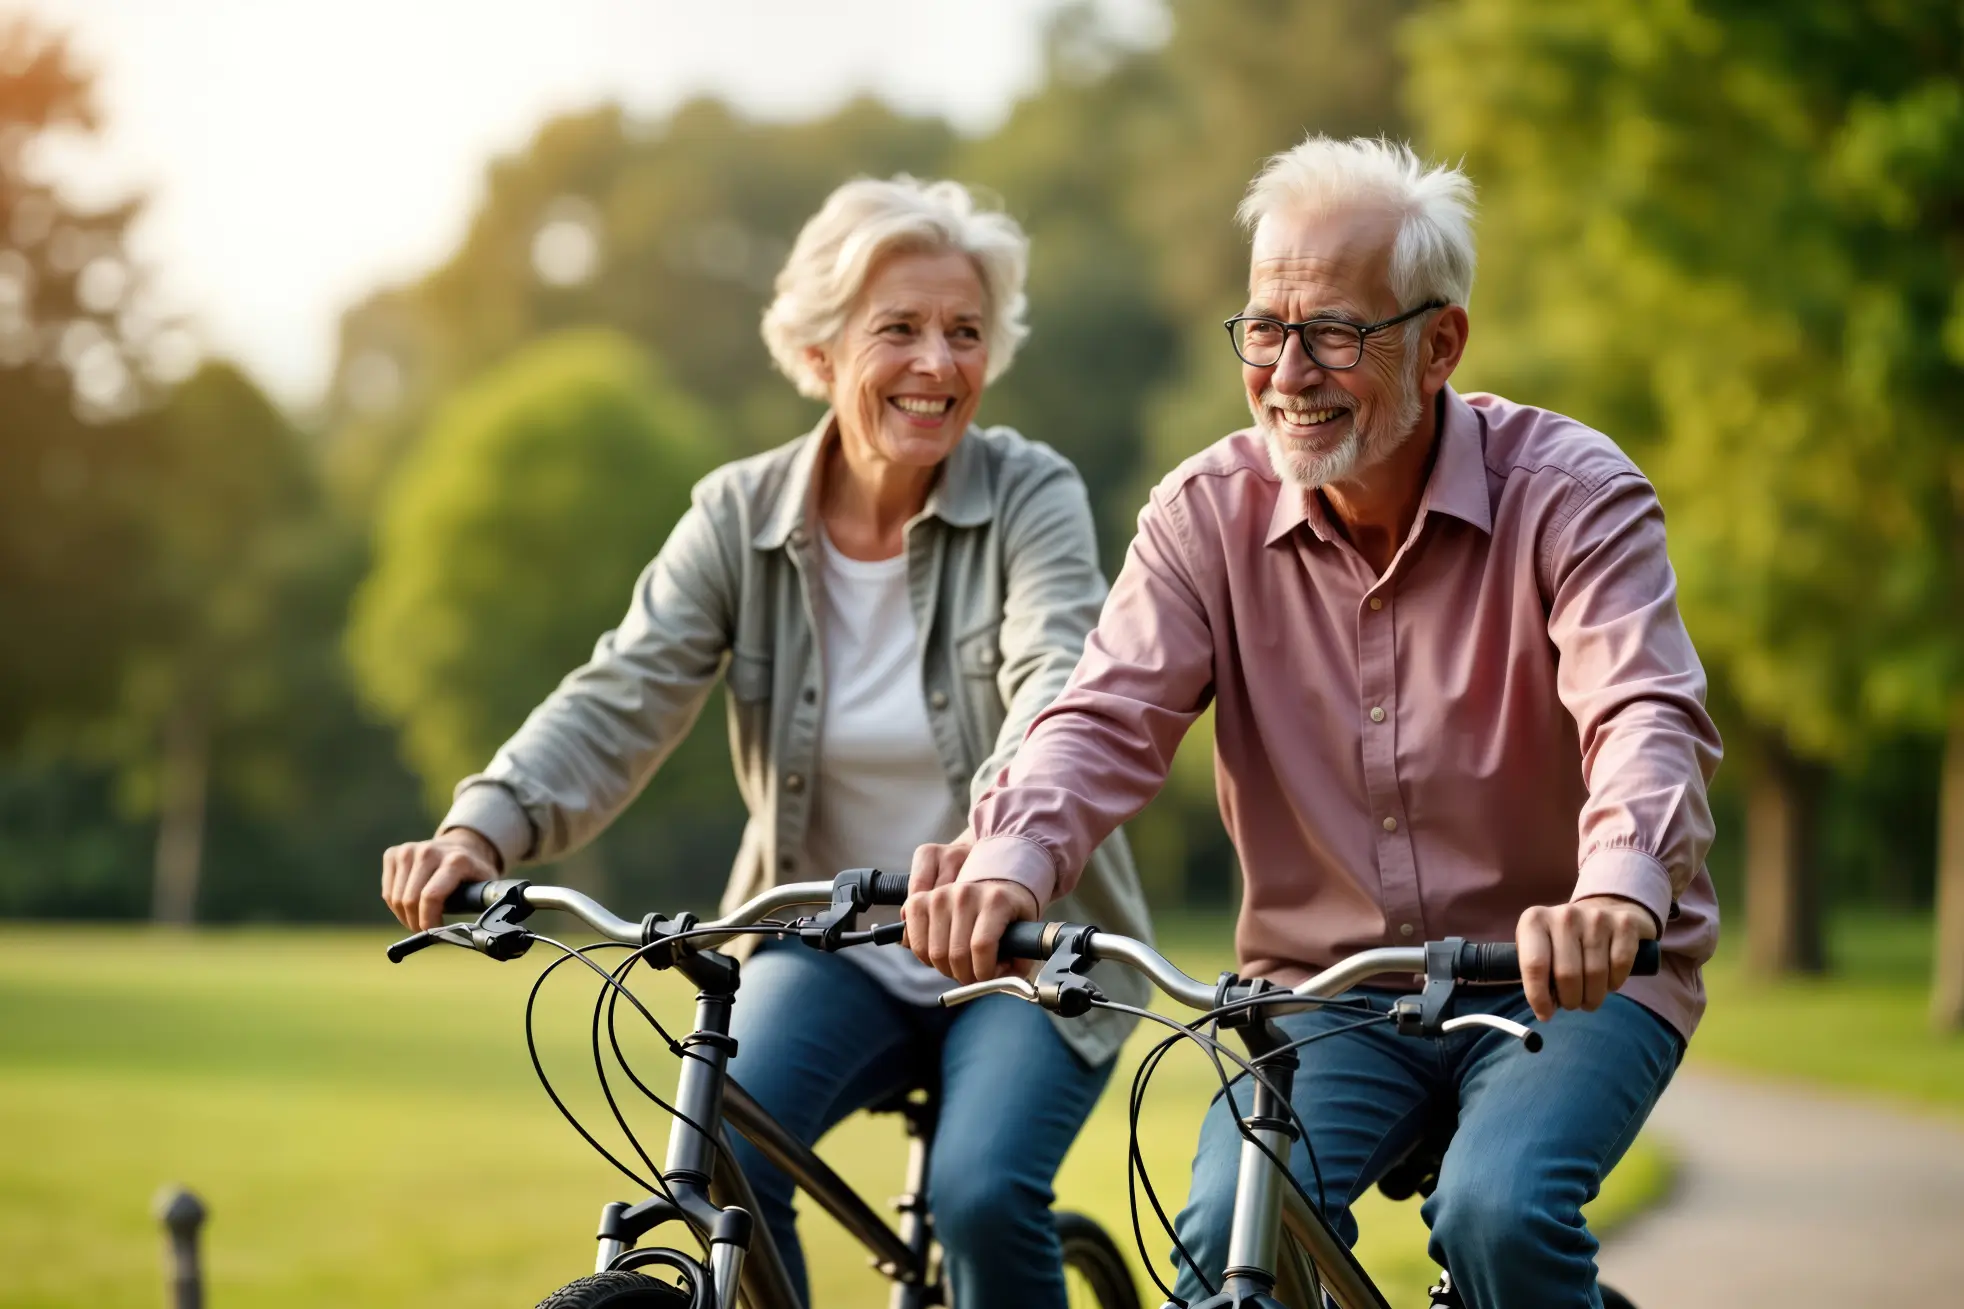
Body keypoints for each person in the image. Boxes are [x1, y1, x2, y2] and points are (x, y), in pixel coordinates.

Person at [903, 136, 1722, 1309]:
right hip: (1330, 993)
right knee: (1215, 1247)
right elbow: (1099, 715)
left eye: (1332, 331)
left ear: (1438, 343)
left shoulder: (1571, 493)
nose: (1288, 370)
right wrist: (1007, 861)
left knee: (1499, 1213)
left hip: (1569, 977)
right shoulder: (1204, 516)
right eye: (1263, 327)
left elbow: (1641, 707)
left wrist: (1614, 891)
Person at [379, 175, 1151, 1308]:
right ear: (819, 348)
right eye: (898, 329)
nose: (937, 364)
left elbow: (1053, 680)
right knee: (724, 1141)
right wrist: (482, 824)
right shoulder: (737, 516)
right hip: (827, 940)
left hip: (1021, 944)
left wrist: (1001, 861)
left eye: (964, 332)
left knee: (983, 1196)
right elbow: (621, 690)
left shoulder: (1030, 494)